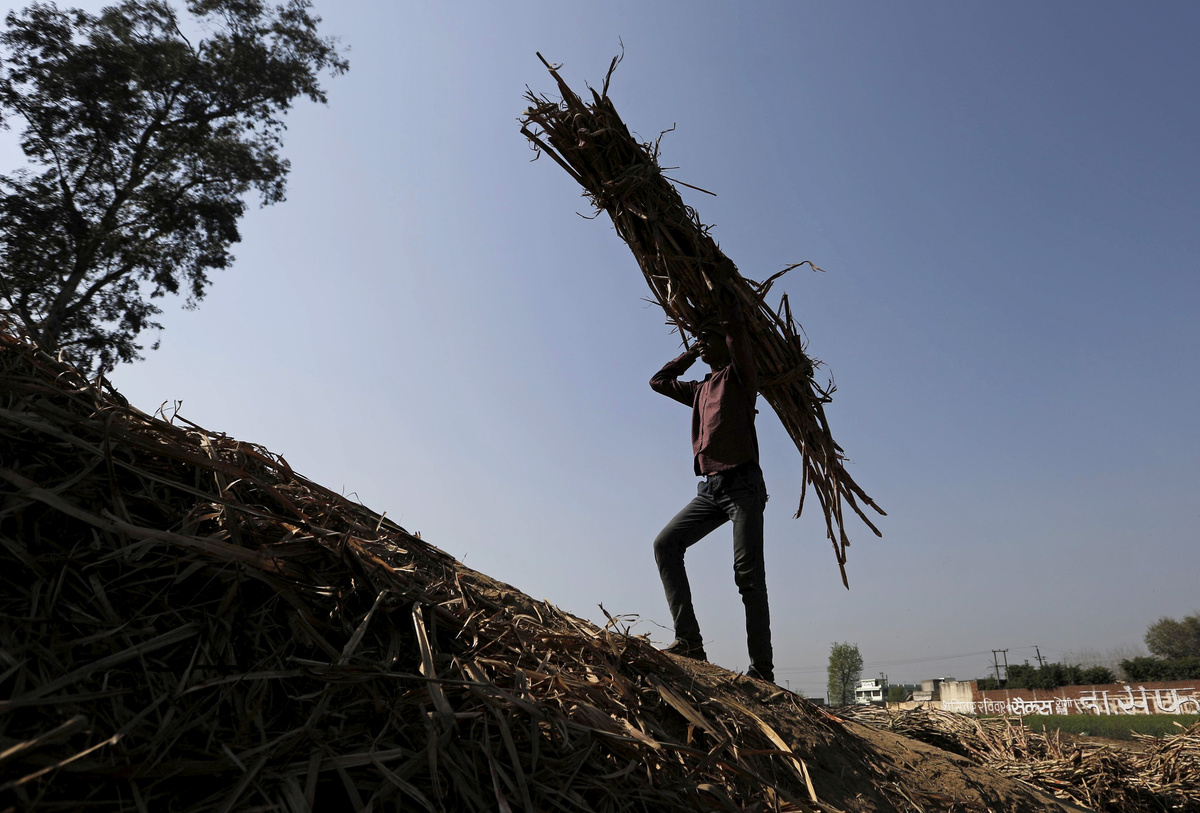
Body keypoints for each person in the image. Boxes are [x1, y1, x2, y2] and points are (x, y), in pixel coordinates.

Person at [649, 289, 774, 682]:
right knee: (665, 544)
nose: (702, 343)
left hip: (743, 485)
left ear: (726, 342)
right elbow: (658, 381)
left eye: (709, 338)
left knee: (747, 575)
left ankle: (762, 670)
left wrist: (725, 298)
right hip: (711, 490)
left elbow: (738, 331)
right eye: (698, 338)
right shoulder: (699, 389)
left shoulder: (740, 377)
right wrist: (690, 351)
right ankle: (690, 641)